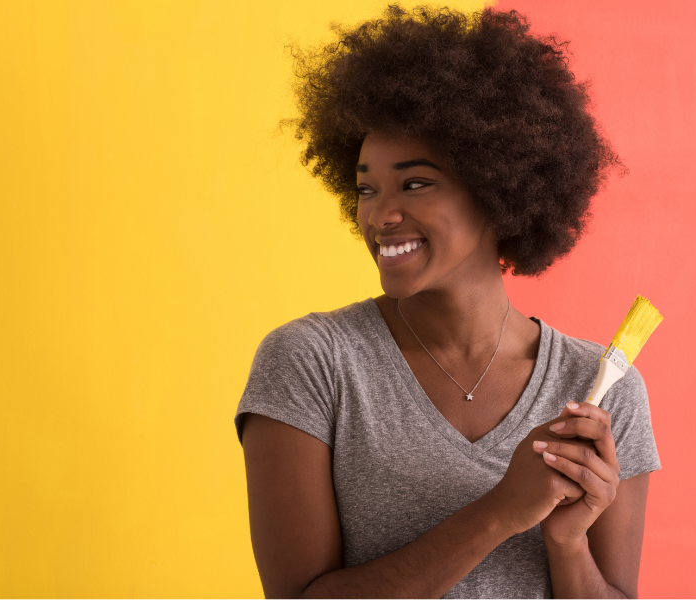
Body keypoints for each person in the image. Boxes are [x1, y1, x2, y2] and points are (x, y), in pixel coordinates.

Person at [235, 6, 659, 598]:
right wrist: (502, 513)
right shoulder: (313, 364)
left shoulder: (602, 389)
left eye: (415, 183)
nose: (380, 216)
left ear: (497, 188)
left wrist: (566, 542)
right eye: (365, 188)